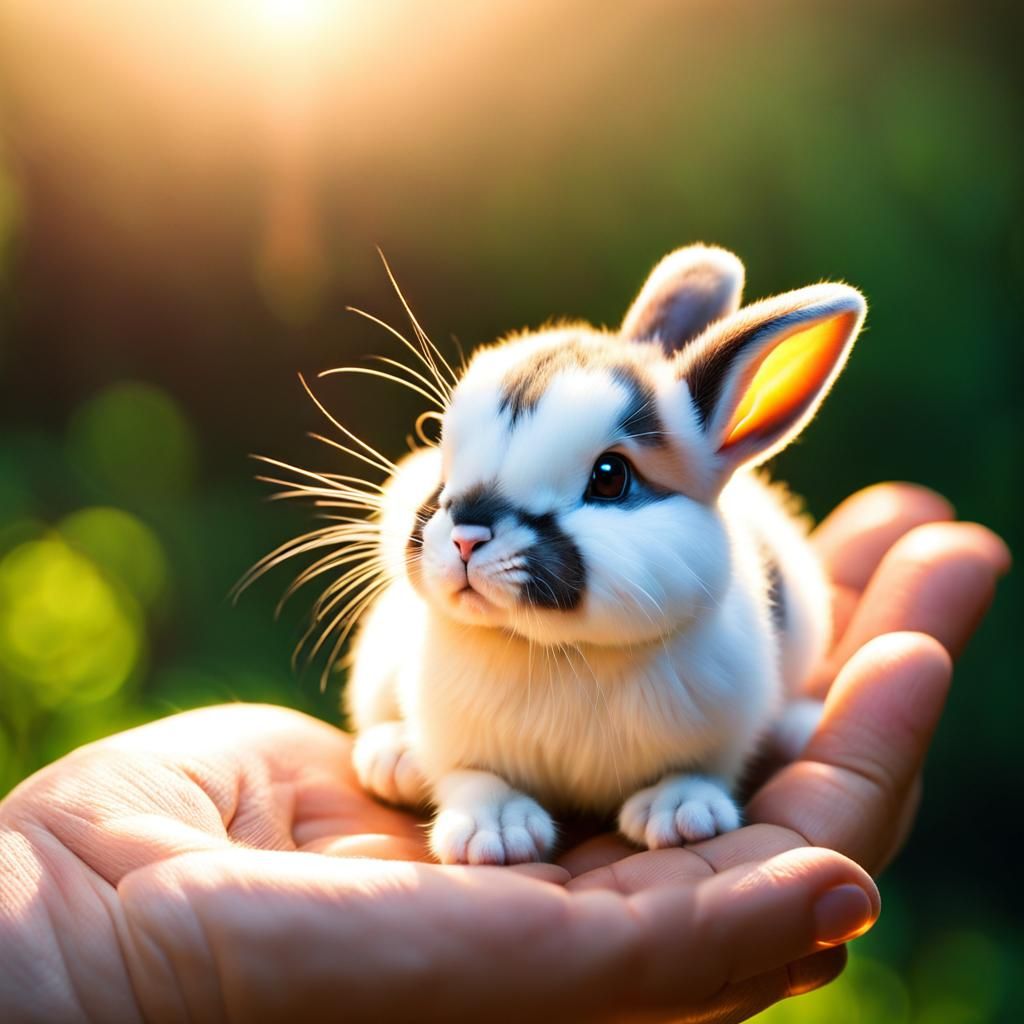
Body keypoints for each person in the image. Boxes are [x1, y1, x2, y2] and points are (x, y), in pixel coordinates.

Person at [0, 485, 1009, 1023]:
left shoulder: (715, 606)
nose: (463, 525)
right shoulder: (450, 612)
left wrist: (709, 761)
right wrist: (89, 948)